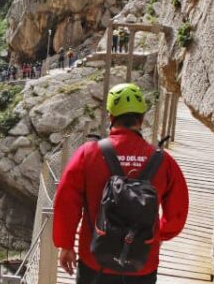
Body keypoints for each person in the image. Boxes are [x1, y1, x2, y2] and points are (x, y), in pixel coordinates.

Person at [53, 83, 189, 284]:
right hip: (142, 263)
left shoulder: (88, 154)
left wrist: (65, 244)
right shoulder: (163, 161)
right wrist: (156, 235)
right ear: (141, 119)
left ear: (110, 117)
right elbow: (178, 211)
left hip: (95, 260)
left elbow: (66, 203)